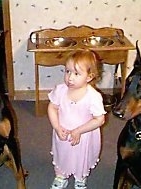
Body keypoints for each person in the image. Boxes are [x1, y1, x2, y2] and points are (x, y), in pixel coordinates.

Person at [47, 49, 106, 189]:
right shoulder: (60, 90)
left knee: (82, 157)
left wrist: (79, 130)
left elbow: (99, 120)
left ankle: (81, 177)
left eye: (76, 73)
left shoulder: (93, 96)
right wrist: (56, 126)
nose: (70, 78)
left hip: (84, 136)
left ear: (89, 77)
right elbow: (52, 108)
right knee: (62, 153)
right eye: (67, 71)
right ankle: (61, 175)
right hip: (63, 132)